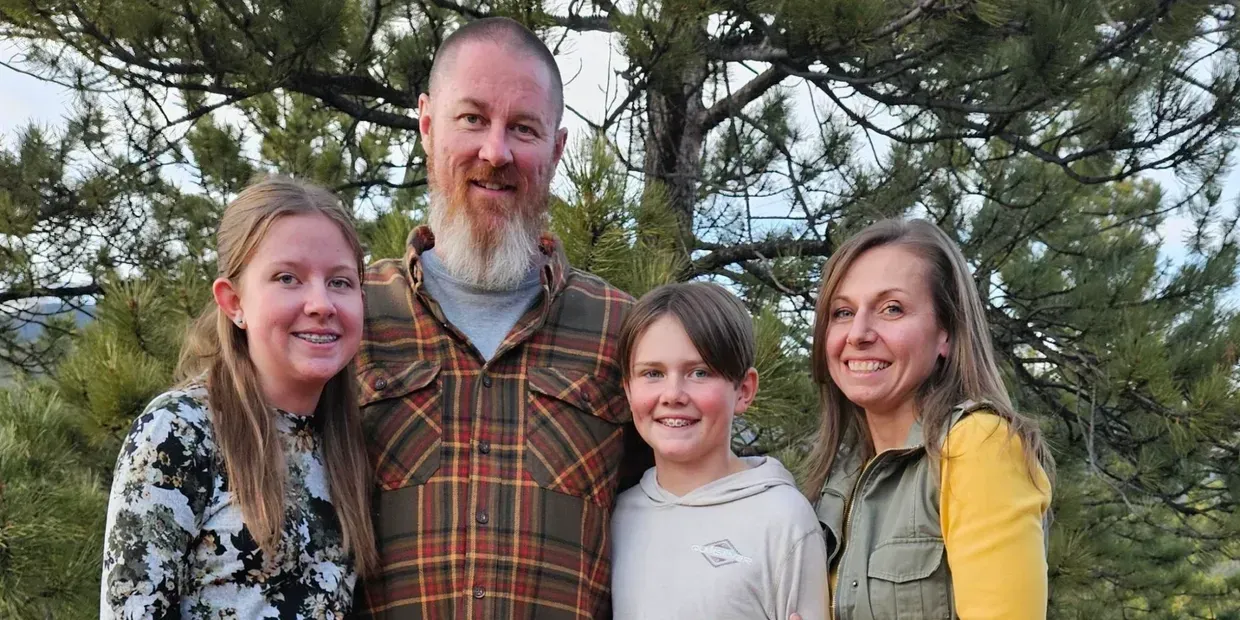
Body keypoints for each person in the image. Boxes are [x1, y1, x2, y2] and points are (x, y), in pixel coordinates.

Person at [353, 17, 648, 618]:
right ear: (427, 126)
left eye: (523, 128)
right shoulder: (347, 319)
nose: (496, 151)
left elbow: (685, 510)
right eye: (472, 119)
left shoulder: (627, 333)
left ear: (557, 149)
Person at [100, 176, 378, 618]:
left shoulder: (347, 442)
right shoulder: (179, 433)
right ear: (233, 302)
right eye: (288, 278)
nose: (321, 302)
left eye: (340, 282)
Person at [802, 218, 1054, 619]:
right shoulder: (839, 476)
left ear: (946, 333)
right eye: (843, 311)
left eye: (892, 308)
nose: (859, 333)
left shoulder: (978, 445)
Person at [609, 282, 828, 620]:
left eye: (699, 372)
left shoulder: (783, 519)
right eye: (652, 373)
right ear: (628, 389)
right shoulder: (616, 516)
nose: (673, 394)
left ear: (743, 390)